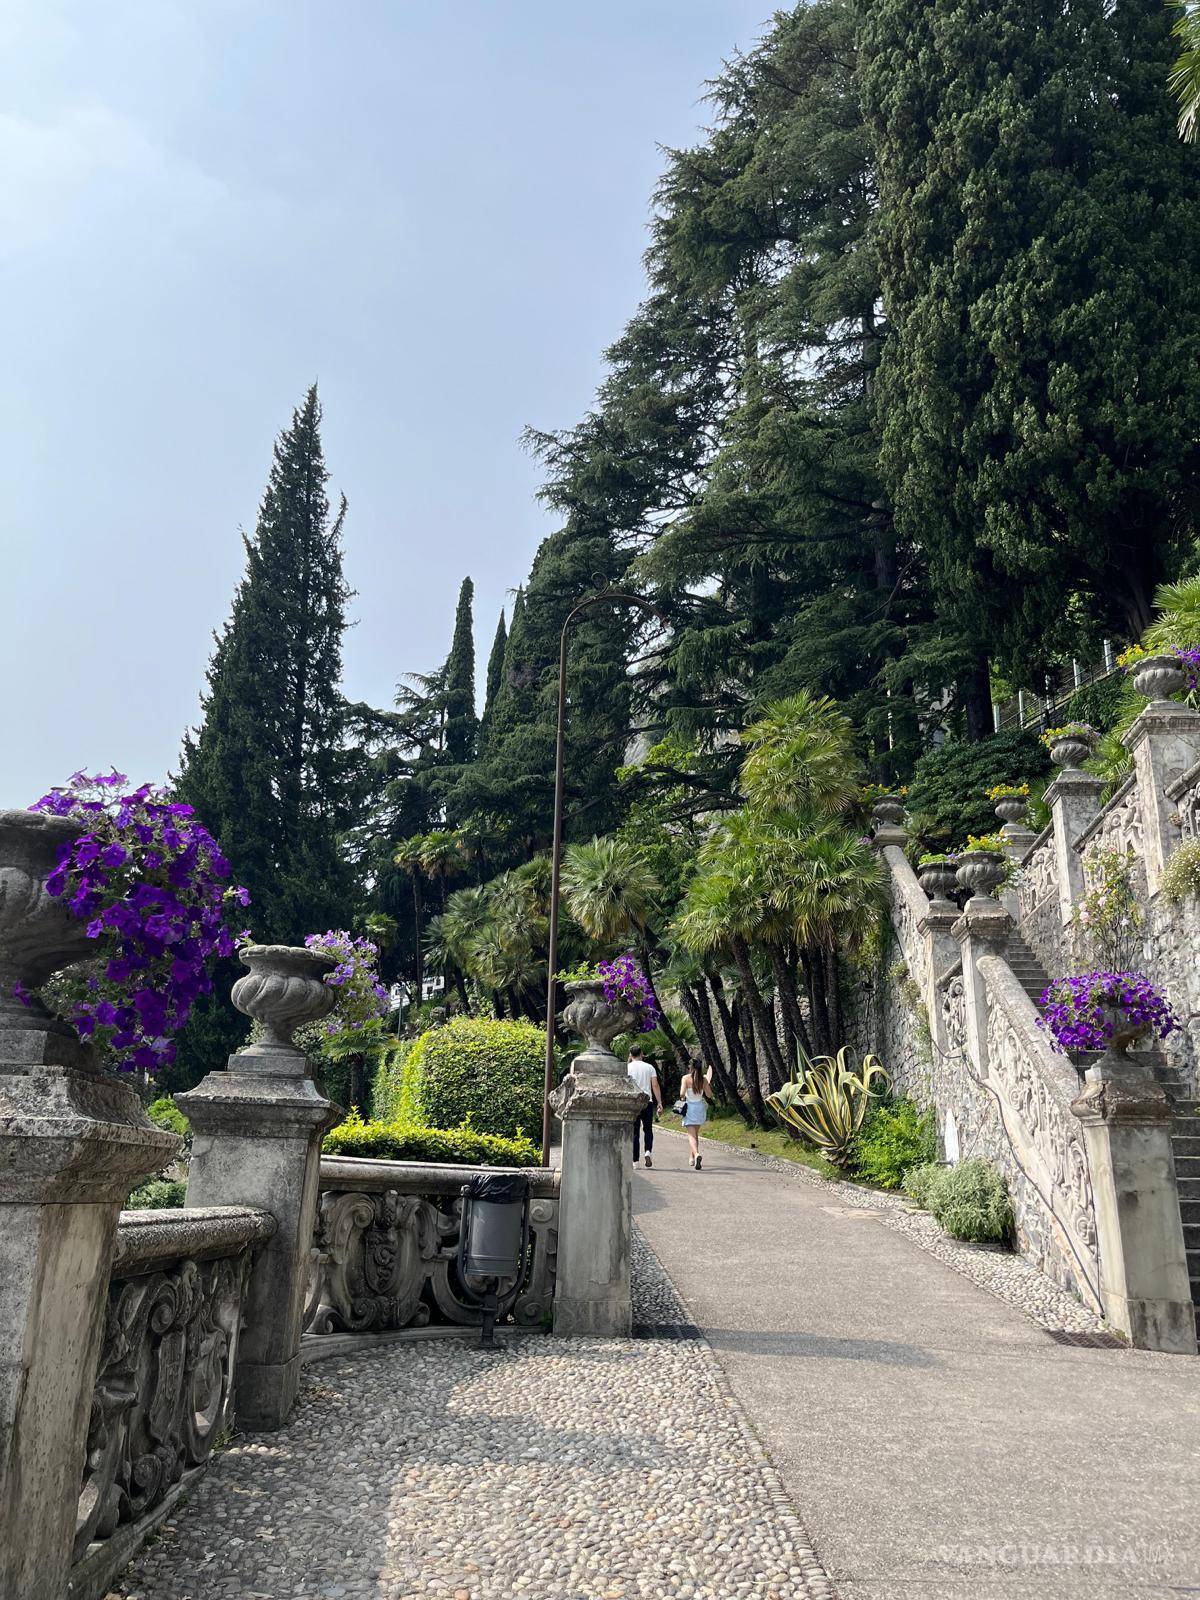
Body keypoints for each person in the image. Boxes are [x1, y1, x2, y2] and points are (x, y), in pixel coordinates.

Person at [626, 1045, 662, 1167]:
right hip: (647, 1100)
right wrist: (660, 1102)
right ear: (641, 1053)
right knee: (648, 1129)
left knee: (634, 1132)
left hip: (633, 1101)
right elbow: (655, 1085)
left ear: (631, 1055)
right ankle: (648, 1151)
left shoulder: (627, 1068)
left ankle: (635, 1161)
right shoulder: (649, 1067)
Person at [680, 1055, 712, 1170]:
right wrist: (706, 1083)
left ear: (691, 1067)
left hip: (689, 1108)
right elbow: (709, 1095)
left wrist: (683, 1097)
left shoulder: (685, 1078)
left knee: (691, 1136)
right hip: (700, 1107)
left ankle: (697, 1154)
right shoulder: (703, 1080)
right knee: (695, 1135)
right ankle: (692, 1157)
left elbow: (682, 1094)